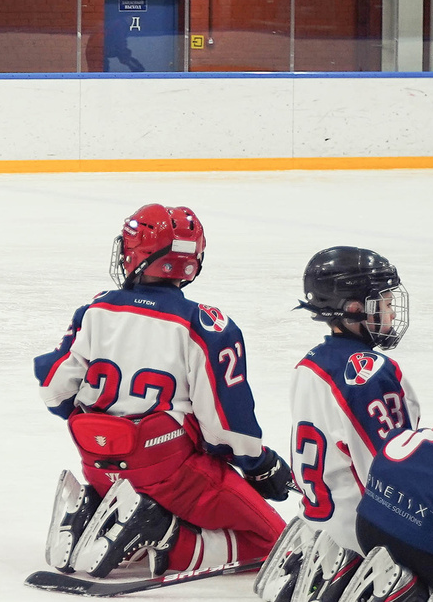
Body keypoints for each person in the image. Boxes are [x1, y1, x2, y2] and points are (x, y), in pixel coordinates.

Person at [35, 204, 293, 580]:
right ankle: (164, 534)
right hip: (172, 478)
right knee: (275, 543)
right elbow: (225, 426)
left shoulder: (95, 309)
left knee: (139, 474)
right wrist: (260, 464)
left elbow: (55, 391)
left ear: (136, 255)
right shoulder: (204, 324)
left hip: (98, 467)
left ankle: (96, 509)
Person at [265, 247, 421, 602]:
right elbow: (389, 471)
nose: (389, 312)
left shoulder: (310, 363)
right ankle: (404, 592)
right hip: (365, 529)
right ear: (352, 308)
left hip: (323, 517)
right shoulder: (372, 373)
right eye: (382, 303)